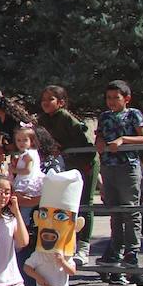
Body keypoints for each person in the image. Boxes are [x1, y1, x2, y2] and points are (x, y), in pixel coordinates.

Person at [95, 80, 143, 286]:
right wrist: (100, 143)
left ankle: (132, 253)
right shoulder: (104, 117)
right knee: (115, 212)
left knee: (130, 210)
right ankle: (116, 253)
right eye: (108, 98)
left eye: (115, 98)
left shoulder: (133, 114)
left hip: (128, 166)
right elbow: (99, 138)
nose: (111, 102)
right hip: (109, 167)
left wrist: (123, 140)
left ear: (126, 99)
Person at [36, 85, 96, 264]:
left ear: (61, 102)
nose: (46, 103)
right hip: (66, 165)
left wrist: (80, 159)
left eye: (51, 99)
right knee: (66, 204)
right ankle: (67, 241)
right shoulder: (43, 119)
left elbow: (85, 143)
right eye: (44, 99)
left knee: (86, 201)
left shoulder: (65, 118)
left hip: (85, 163)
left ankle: (84, 245)